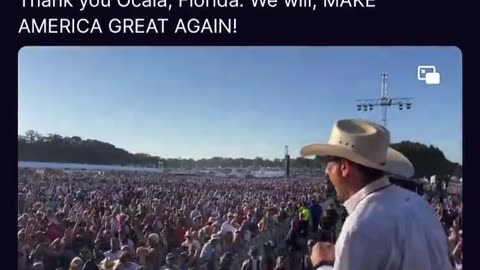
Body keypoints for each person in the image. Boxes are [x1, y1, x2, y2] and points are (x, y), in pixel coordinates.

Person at [300, 119, 452, 270]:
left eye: (329, 163)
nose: (326, 171)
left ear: (344, 168)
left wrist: (322, 264)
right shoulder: (419, 204)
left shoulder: (359, 227)